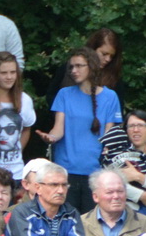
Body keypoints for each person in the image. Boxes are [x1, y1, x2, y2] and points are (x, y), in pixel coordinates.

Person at [37, 46, 124, 211]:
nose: (73, 71)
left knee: (91, 223)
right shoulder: (64, 94)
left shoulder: (110, 97)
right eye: (71, 67)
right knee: (67, 220)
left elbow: (109, 136)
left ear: (91, 67)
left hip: (95, 172)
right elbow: (58, 129)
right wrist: (50, 138)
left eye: (79, 66)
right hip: (66, 170)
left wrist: (108, 156)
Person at [0, 52, 36, 180]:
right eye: (3, 73)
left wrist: (16, 149)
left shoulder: (25, 99)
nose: (9, 77)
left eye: (13, 72)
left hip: (16, 173)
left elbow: (26, 128)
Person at [105, 109, 146, 213]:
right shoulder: (115, 157)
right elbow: (110, 184)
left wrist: (139, 177)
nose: (136, 130)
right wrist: (141, 195)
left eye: (141, 125)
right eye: (131, 126)